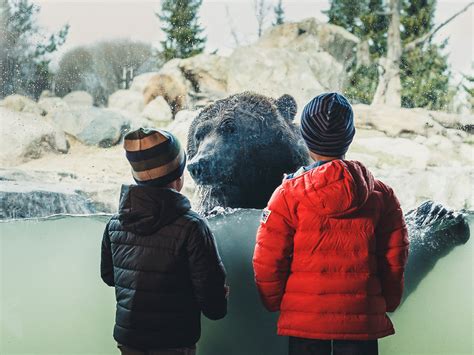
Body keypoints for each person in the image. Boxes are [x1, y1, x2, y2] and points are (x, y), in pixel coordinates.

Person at [252, 93, 409, 355]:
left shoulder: (287, 195)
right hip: (362, 320)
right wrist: (389, 301)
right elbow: (396, 256)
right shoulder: (382, 195)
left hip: (305, 321)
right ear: (351, 135)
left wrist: (275, 302)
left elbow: (267, 259)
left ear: (303, 136)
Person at [101, 128, 228, 355]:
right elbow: (213, 303)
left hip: (129, 339)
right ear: (178, 177)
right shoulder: (192, 226)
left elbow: (109, 277)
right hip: (174, 341)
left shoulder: (114, 224)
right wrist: (219, 297)